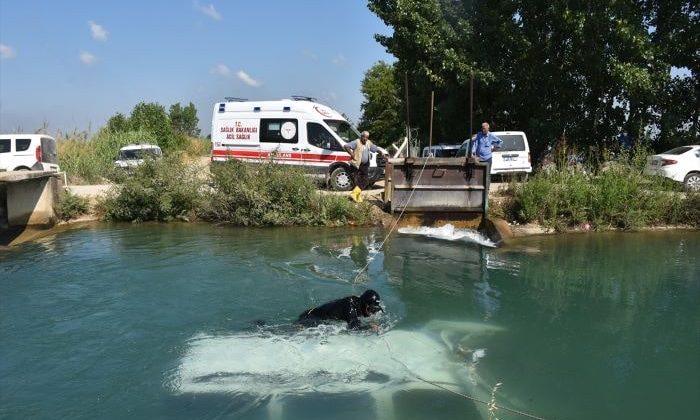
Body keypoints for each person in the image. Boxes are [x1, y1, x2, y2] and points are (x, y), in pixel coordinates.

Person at [297, 289, 384, 330]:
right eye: (371, 308)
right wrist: (369, 327)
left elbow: (379, 310)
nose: (372, 312)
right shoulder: (350, 307)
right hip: (310, 317)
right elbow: (354, 328)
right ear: (364, 304)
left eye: (374, 308)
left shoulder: (365, 304)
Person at [343, 131, 386, 203]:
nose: (365, 139)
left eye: (367, 137)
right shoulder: (356, 142)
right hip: (357, 164)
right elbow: (346, 146)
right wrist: (352, 154)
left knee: (364, 180)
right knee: (358, 180)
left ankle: (355, 194)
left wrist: (380, 152)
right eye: (364, 137)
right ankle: (356, 196)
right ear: (361, 136)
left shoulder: (368, 143)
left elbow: (374, 148)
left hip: (365, 165)